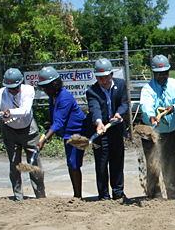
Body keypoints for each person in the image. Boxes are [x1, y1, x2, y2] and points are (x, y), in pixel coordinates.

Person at [0, 68, 45, 201]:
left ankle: (40, 196)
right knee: (14, 164)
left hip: (28, 131)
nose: (13, 90)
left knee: (34, 163)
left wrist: (10, 112)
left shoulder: (28, 90)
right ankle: (18, 196)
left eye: (15, 87)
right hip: (10, 130)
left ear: (20, 83)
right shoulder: (1, 93)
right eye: (10, 88)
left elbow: (26, 110)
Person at [140, 55, 175, 200]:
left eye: (165, 73)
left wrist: (173, 107)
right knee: (153, 164)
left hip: (170, 133)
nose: (162, 76)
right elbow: (146, 106)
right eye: (159, 73)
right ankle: (155, 194)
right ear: (153, 73)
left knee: (171, 163)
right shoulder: (147, 89)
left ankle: (172, 191)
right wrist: (151, 116)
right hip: (152, 133)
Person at [35, 66, 86, 198]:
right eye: (44, 88)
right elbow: (54, 120)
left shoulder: (64, 97)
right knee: (71, 164)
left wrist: (44, 140)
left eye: (48, 87)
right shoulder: (52, 98)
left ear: (56, 84)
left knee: (74, 165)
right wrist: (48, 126)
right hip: (67, 134)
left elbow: (59, 122)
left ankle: (78, 196)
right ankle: (76, 194)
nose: (46, 90)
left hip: (77, 133)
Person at [86, 59, 129, 201]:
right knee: (102, 164)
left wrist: (119, 114)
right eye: (100, 78)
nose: (103, 81)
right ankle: (104, 196)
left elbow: (124, 103)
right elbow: (94, 108)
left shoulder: (121, 84)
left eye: (106, 77)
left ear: (111, 74)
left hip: (116, 129)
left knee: (117, 162)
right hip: (101, 132)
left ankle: (118, 193)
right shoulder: (92, 91)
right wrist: (98, 122)